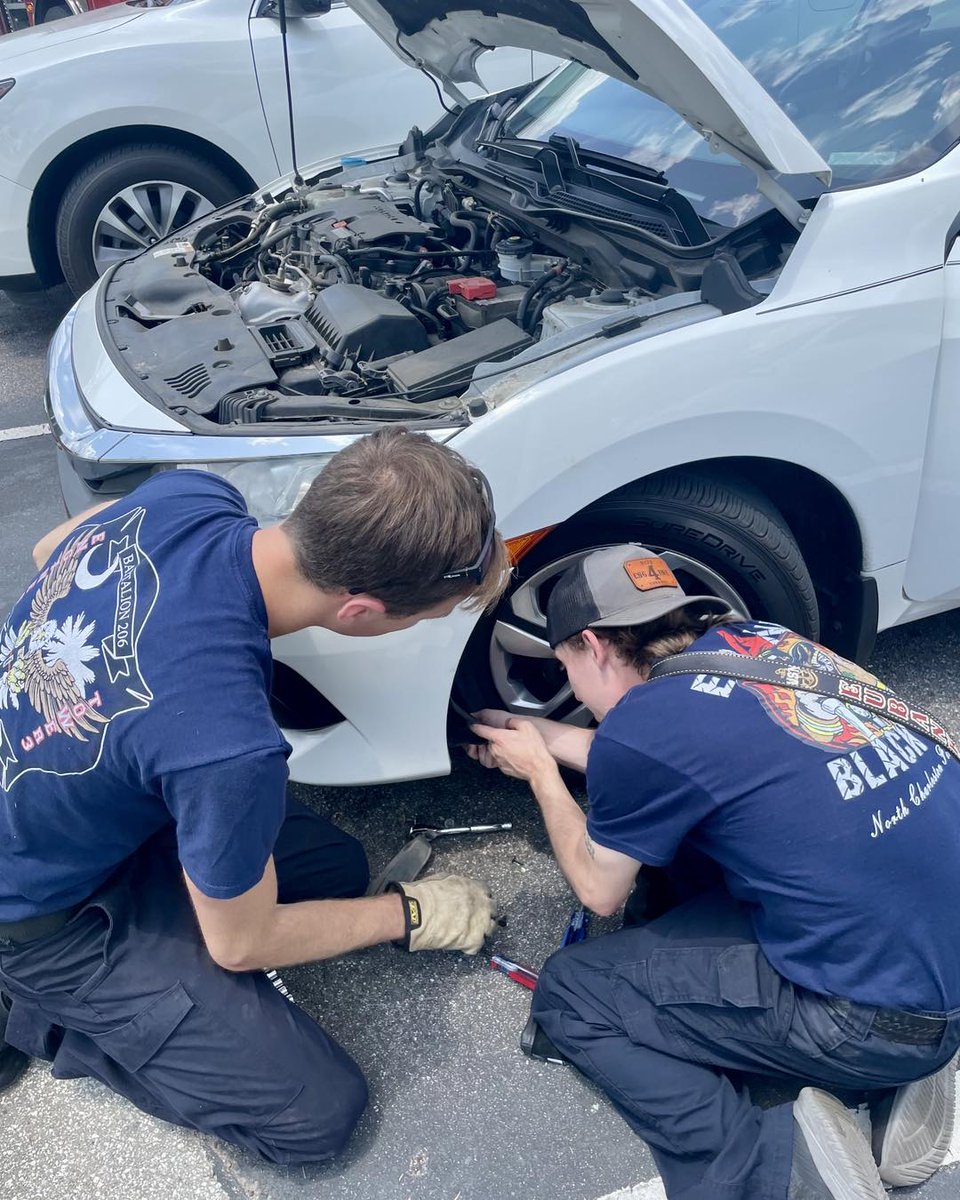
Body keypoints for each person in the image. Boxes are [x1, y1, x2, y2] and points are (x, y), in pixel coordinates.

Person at [0, 427, 507, 1163]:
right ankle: (41, 1012)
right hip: (42, 919)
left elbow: (53, 551)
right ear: (360, 611)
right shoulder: (228, 744)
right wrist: (407, 915)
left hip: (68, 812)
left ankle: (163, 950)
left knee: (330, 867)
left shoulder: (192, 497)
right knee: (317, 1116)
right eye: (419, 619)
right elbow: (243, 945)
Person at [470, 544, 960, 1200]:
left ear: (591, 644)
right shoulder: (761, 644)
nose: (573, 691)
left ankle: (772, 1170)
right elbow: (669, 761)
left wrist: (540, 774)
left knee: (574, 997)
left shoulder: (644, 727)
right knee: (713, 845)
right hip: (934, 945)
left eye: (565, 667)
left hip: (873, 1018)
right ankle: (887, 1077)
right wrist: (542, 736)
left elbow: (599, 889)